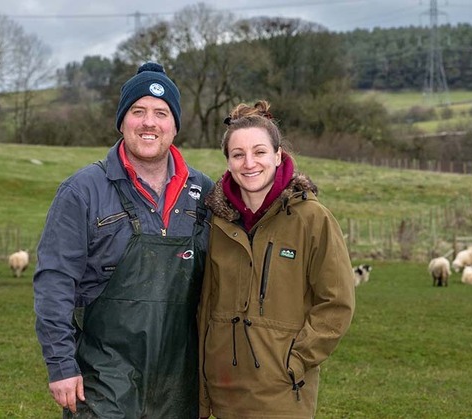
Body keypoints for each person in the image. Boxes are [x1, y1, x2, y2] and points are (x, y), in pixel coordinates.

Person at [34, 62, 213, 418]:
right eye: (138, 111)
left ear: (175, 126)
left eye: (161, 113)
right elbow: (54, 282)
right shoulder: (82, 191)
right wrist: (60, 365)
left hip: (179, 385)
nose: (149, 122)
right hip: (102, 381)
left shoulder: (204, 194)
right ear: (122, 120)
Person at [197, 100, 355, 419]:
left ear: (278, 155)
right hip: (224, 390)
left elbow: (336, 303)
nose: (249, 163)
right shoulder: (214, 223)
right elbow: (204, 306)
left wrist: (294, 361)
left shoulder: (313, 219)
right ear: (228, 161)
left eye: (259, 152)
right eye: (238, 154)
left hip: (284, 393)